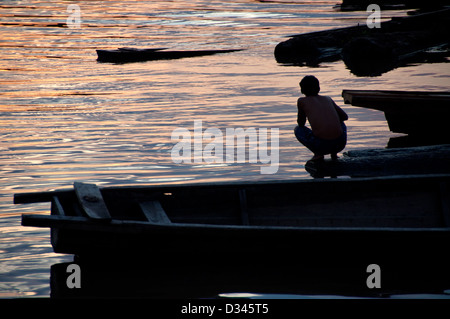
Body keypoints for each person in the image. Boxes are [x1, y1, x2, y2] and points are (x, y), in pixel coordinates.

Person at [294, 75, 348, 161]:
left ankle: (318, 154)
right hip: (339, 144)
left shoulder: (301, 101)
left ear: (302, 90)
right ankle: (334, 154)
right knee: (341, 122)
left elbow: (301, 123)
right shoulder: (328, 99)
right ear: (318, 88)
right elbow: (344, 117)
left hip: (321, 146)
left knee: (298, 129)